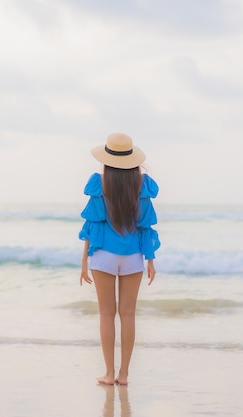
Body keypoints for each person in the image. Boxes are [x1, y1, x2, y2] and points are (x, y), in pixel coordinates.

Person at [79, 132, 160, 385]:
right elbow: (146, 226)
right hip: (133, 256)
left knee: (106, 314)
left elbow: (92, 225)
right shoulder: (142, 184)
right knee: (128, 315)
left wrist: (84, 262)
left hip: (103, 256)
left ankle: (109, 373)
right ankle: (124, 375)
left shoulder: (98, 183)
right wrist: (150, 259)